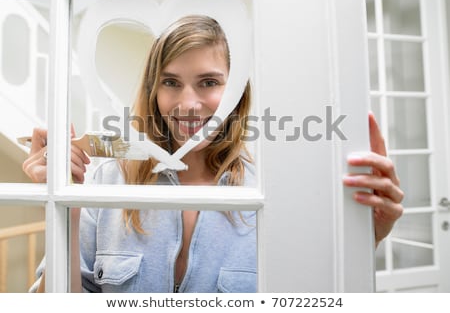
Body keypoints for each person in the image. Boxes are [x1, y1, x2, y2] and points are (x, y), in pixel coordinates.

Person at [22, 15, 404, 293]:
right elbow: (54, 300)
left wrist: (361, 238)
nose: (188, 104)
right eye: (171, 82)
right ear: (154, 92)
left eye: (208, 82)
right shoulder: (107, 182)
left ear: (236, 91)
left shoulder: (272, 191)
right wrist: (64, 206)